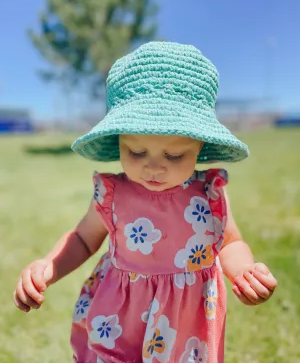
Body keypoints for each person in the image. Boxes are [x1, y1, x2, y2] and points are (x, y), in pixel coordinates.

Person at [14, 42, 277, 363]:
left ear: (200, 148)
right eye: (136, 152)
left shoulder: (209, 194)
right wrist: (48, 266)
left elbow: (230, 242)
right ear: (119, 141)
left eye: (174, 154)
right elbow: (83, 239)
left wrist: (244, 272)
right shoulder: (112, 193)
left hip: (185, 321)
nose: (153, 166)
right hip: (118, 316)